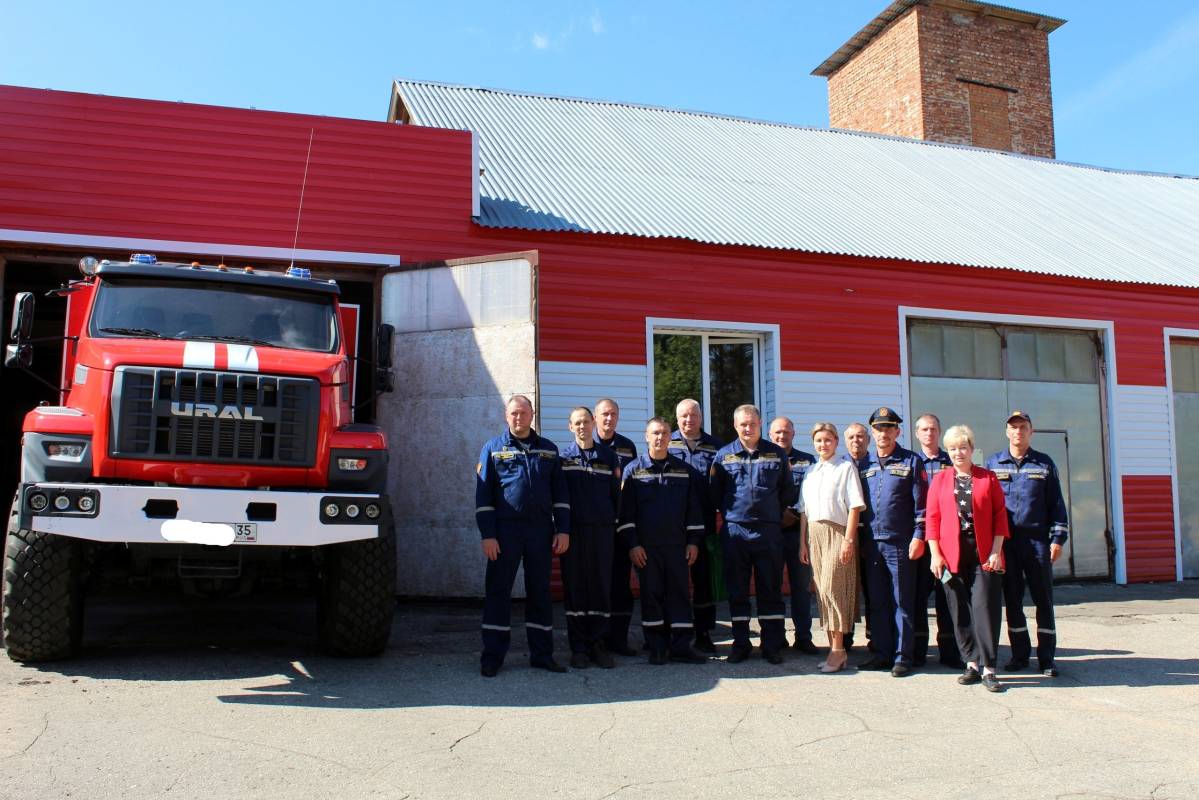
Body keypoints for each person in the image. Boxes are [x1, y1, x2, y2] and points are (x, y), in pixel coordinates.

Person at [475, 395, 571, 677]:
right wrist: (488, 535)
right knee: (498, 591)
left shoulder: (549, 450)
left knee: (540, 592)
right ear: (507, 416)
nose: (519, 418)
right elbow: (483, 496)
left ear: (533, 415)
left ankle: (542, 655)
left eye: (523, 413)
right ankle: (492, 656)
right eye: (514, 414)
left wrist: (563, 529)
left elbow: (561, 495)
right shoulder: (493, 449)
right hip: (505, 533)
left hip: (541, 532)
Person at [710, 404, 799, 664]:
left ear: (760, 423)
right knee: (737, 590)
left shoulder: (776, 454)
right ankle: (740, 643)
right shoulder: (724, 456)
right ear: (735, 426)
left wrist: (770, 513)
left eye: (752, 423)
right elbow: (716, 492)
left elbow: (787, 491)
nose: (748, 428)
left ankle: (771, 644)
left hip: (769, 530)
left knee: (770, 589)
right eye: (743, 424)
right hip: (736, 530)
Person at [985, 411, 1069, 677]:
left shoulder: (1044, 464)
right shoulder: (993, 463)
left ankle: (1047, 659)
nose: (1018, 432)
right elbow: (986, 506)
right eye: (1013, 428)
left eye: (1023, 427)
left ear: (1031, 432)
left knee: (1043, 599)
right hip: (1006, 543)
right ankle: (1020, 655)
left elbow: (1056, 505)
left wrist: (1057, 539)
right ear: (1006, 432)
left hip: (1036, 542)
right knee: (1012, 600)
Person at [926, 425, 1009, 692]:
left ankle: (989, 667)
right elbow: (932, 519)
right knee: (959, 608)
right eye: (952, 448)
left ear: (972, 449)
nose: (958, 453)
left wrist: (996, 550)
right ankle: (971, 663)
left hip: (983, 550)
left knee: (985, 607)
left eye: (963, 447)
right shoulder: (939, 480)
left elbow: (1000, 516)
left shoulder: (988, 478)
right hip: (951, 552)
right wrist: (935, 554)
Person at [618, 417, 708, 665]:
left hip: (677, 547)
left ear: (671, 437)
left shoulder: (684, 470)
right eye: (655, 433)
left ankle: (681, 647)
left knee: (680, 595)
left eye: (664, 433)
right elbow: (626, 514)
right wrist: (633, 544)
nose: (660, 437)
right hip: (646, 549)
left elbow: (693, 511)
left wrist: (693, 542)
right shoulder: (633, 471)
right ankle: (656, 646)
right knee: (651, 595)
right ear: (646, 436)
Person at [856, 407, 928, 677]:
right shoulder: (865, 465)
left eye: (888, 428)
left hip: (900, 543)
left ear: (897, 431)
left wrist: (918, 536)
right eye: (878, 428)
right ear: (872, 433)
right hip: (871, 544)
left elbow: (922, 505)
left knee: (902, 602)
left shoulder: (911, 462)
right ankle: (882, 654)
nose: (883, 433)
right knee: (877, 602)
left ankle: (902, 656)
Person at [798, 422, 866, 673]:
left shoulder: (846, 468)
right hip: (814, 535)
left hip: (837, 533)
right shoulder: (811, 471)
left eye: (828, 440)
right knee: (822, 593)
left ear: (836, 442)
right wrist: (802, 544)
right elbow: (803, 511)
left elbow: (855, 507)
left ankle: (838, 650)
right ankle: (834, 650)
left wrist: (848, 540)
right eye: (818, 441)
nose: (823, 445)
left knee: (833, 589)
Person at [558, 406, 621, 669]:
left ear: (594, 423)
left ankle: (598, 645)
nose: (582, 426)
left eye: (586, 421)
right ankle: (579, 647)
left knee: (601, 587)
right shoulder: (562, 459)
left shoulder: (609, 457)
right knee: (575, 589)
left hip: (602, 533)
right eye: (577, 423)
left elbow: (617, 498)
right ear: (570, 427)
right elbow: (558, 497)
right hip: (574, 534)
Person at [668, 399, 723, 653]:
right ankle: (673, 631)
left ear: (701, 418)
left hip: (704, 524)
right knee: (673, 580)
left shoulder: (716, 447)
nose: (688, 420)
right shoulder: (667, 443)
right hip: (673, 524)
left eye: (693, 416)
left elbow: (723, 485)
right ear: (676, 419)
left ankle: (703, 633)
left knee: (703, 582)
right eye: (683, 417)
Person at [911, 413, 965, 669]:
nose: (929, 434)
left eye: (933, 429)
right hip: (923, 541)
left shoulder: (952, 460)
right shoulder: (912, 462)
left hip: (947, 541)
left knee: (948, 597)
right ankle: (919, 651)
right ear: (917, 433)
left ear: (939, 432)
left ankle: (950, 651)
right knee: (919, 597)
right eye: (924, 429)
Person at [768, 416, 820, 654]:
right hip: (771, 532)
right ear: (770, 434)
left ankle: (803, 636)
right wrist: (779, 513)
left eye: (786, 432)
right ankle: (777, 637)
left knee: (801, 588)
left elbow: (813, 495)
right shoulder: (764, 457)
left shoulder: (807, 460)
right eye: (778, 432)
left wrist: (795, 516)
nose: (782, 436)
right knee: (772, 586)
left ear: (793, 433)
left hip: (799, 534)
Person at [594, 398, 641, 657]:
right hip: (597, 527)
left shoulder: (627, 447)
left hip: (622, 526)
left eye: (613, 414)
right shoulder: (588, 446)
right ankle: (598, 639)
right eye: (604, 414)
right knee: (599, 583)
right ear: (595, 418)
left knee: (621, 585)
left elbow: (631, 486)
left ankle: (619, 639)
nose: (609, 419)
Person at [842, 422, 871, 652]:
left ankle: (875, 636)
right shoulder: (839, 465)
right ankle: (846, 636)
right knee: (847, 587)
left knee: (873, 588)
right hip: (845, 534)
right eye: (851, 437)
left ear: (868, 439)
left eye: (860, 436)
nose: (856, 441)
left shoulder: (876, 463)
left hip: (871, 534)